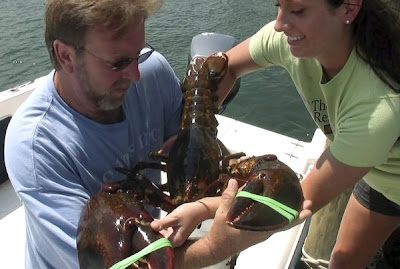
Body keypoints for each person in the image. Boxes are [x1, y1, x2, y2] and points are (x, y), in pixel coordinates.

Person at [5, 0, 311, 268]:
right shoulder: (36, 146)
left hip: (158, 236)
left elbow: (191, 142)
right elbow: (112, 265)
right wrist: (217, 246)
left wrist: (230, 194)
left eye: (138, 54)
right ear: (66, 56)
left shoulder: (152, 71)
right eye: (119, 62)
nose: (136, 75)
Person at [151, 0, 400, 268]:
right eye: (279, 6)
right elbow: (227, 66)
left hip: (392, 176)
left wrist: (203, 209)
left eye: (298, 11)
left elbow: (296, 200)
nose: (280, 24)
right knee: (344, 262)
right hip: (377, 172)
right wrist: (197, 132)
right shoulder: (289, 41)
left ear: (349, 9)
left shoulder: (378, 107)